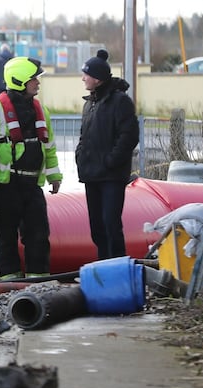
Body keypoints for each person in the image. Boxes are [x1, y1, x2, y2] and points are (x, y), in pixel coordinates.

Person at [0, 56, 62, 280]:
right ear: (19, 81)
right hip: (5, 187)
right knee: (5, 237)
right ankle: (10, 284)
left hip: (32, 186)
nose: (38, 83)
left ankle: (39, 283)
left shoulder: (41, 111)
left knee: (38, 235)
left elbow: (50, 147)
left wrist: (54, 176)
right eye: (34, 79)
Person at [75, 49, 140, 260]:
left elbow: (129, 136)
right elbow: (84, 136)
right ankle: (103, 265)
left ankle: (118, 264)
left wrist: (110, 161)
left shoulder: (120, 102)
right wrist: (80, 156)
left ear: (97, 78)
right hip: (91, 175)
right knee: (97, 227)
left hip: (111, 176)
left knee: (111, 223)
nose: (83, 78)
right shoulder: (89, 104)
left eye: (86, 74)